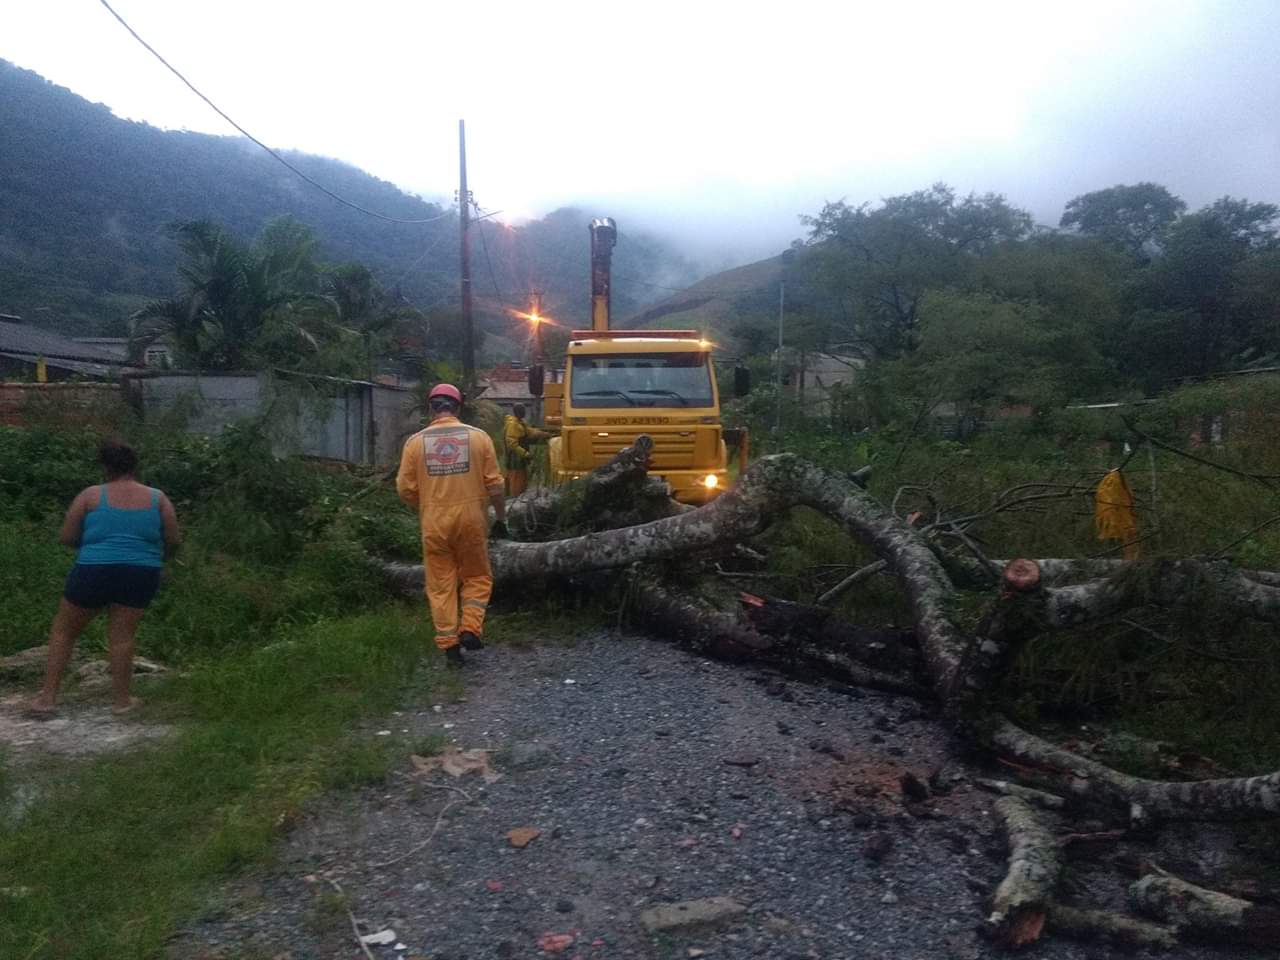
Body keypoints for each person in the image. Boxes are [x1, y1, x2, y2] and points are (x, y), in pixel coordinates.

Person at [28, 440, 181, 717]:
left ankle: (47, 700)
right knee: (122, 636)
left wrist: (92, 547)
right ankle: (122, 702)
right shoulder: (158, 498)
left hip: (93, 570)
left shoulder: (90, 496)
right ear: (135, 466)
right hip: (141, 572)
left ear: (105, 468)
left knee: (64, 631)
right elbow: (173, 540)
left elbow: (66, 536)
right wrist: (159, 557)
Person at [396, 383, 507, 668]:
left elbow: (405, 490)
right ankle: (470, 628)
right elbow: (495, 486)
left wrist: (429, 505)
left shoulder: (414, 443)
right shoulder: (479, 438)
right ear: (458, 407)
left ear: (431, 408)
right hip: (471, 520)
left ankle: (450, 647)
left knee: (440, 584)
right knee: (477, 577)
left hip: (434, 524)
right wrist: (501, 518)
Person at [502, 403, 551, 497]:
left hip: (521, 459)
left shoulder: (520, 423)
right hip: (514, 460)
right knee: (516, 481)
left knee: (522, 480)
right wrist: (525, 454)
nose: (524, 412)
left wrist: (545, 434)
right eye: (522, 410)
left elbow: (530, 431)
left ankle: (520, 497)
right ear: (518, 412)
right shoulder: (513, 425)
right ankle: (514, 500)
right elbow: (512, 444)